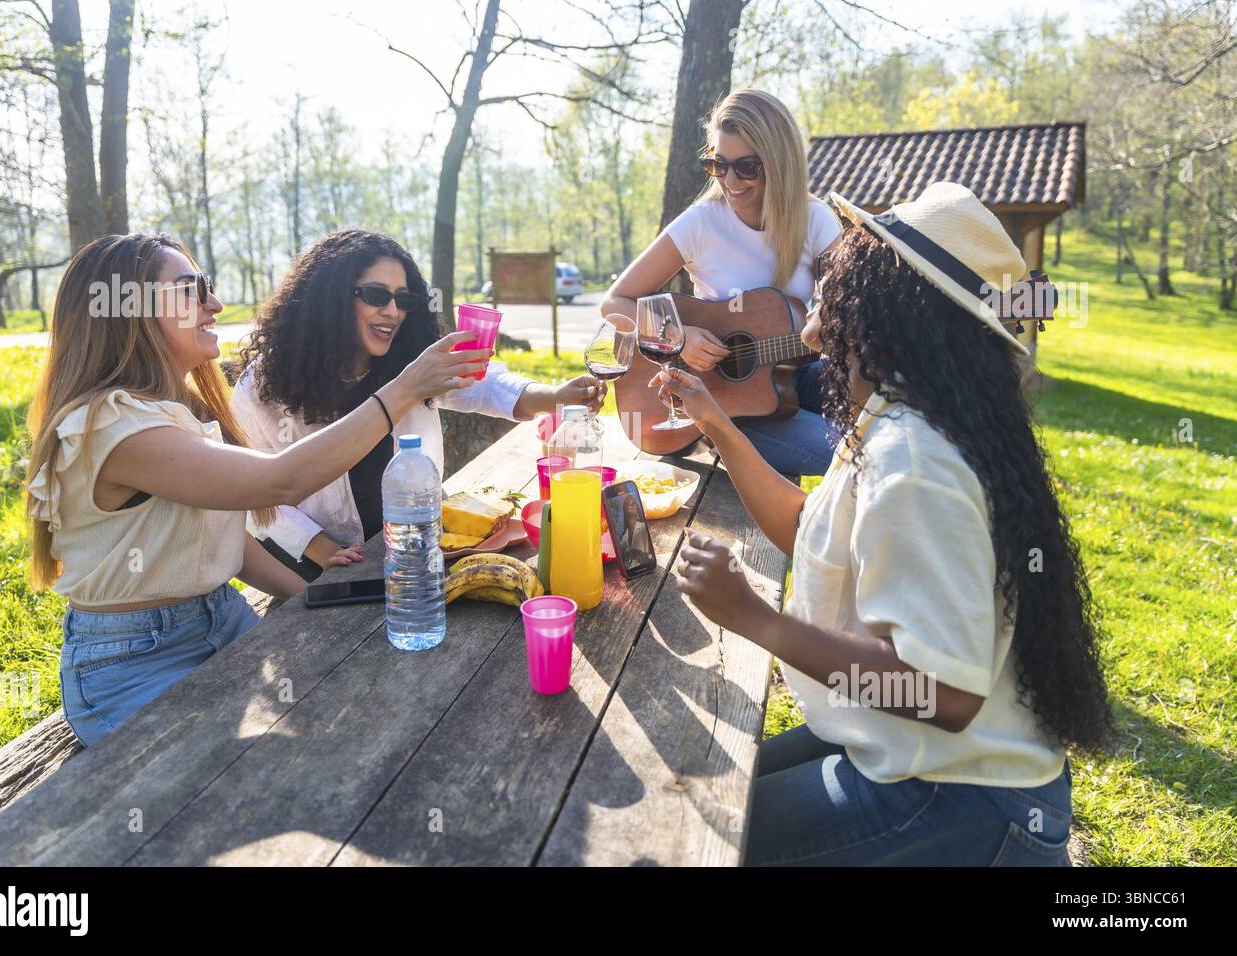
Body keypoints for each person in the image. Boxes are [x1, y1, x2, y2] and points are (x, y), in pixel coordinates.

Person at [653, 182, 1115, 865]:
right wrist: (716, 424)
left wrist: (756, 619)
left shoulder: (915, 459)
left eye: (848, 260)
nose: (828, 266)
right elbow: (817, 529)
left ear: (883, 301)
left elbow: (947, 693)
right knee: (694, 794)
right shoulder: (895, 417)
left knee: (690, 841)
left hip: (966, 796)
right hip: (912, 750)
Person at [26, 233, 487, 746]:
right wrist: (404, 388)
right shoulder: (111, 427)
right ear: (125, 309)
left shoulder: (172, 410)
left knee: (347, 722)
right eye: (191, 290)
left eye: (208, 287)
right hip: (135, 658)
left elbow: (221, 536)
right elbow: (280, 480)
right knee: (219, 790)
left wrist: (314, 597)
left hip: (221, 616)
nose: (214, 303)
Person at [231, 230, 604, 581]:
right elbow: (252, 493)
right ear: (330, 297)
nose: (393, 311)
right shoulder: (263, 387)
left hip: (421, 551)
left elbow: (485, 384)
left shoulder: (409, 356)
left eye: (404, 300)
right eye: (377, 296)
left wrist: (555, 397)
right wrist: (318, 546)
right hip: (329, 571)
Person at [601, 87, 841, 475]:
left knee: (884, 422)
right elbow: (615, 303)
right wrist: (679, 337)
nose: (730, 180)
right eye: (717, 164)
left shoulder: (816, 220)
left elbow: (851, 307)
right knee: (840, 456)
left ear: (779, 164)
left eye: (746, 167)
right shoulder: (701, 222)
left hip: (792, 376)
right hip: (725, 408)